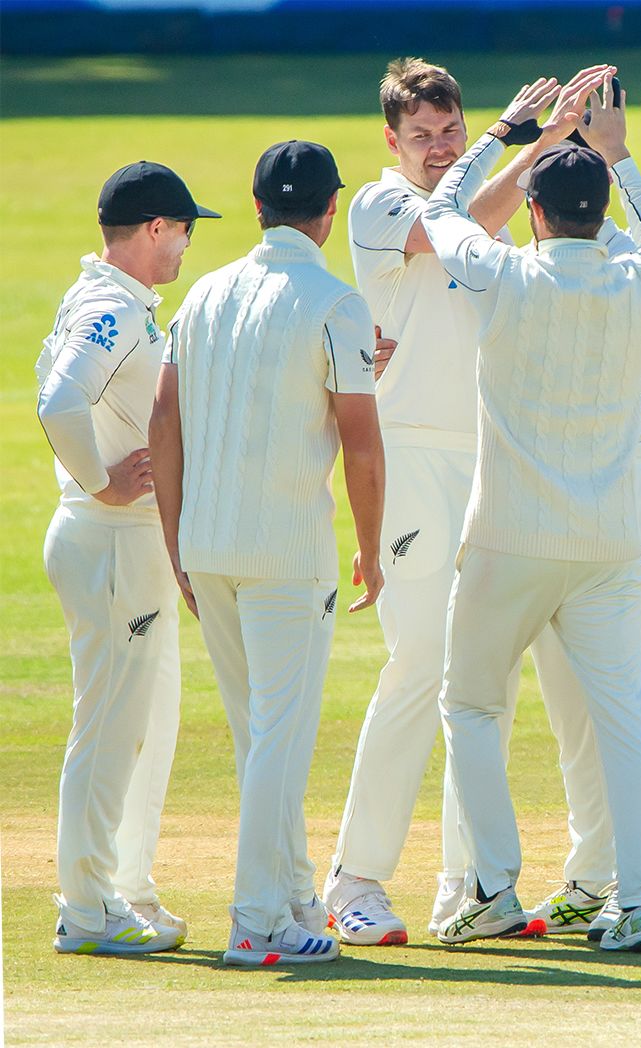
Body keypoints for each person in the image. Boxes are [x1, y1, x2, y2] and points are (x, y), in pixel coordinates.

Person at [324, 57, 581, 946]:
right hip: (407, 462)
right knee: (421, 664)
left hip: (488, 461)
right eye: (423, 137)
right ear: (393, 141)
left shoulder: (491, 221)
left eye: (451, 134)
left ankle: (468, 887)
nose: (439, 149)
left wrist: (543, 143)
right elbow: (456, 221)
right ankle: (354, 877)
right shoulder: (378, 204)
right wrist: (525, 140)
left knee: (485, 677)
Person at [423, 68, 641, 953]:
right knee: (628, 717)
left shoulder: (505, 276)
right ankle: (640, 902)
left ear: (533, 211)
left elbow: (439, 213)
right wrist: (619, 156)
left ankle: (492, 888)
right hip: (610, 541)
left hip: (510, 539)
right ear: (601, 212)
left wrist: (507, 133)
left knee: (472, 707)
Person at [150, 139, 386, 966]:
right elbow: (361, 442)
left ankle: (291, 897)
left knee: (263, 739)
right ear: (328, 214)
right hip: (286, 554)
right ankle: (256, 923)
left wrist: (177, 539)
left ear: (256, 206)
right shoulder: (336, 301)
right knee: (278, 739)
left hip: (209, 543)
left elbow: (163, 423)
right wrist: (372, 548)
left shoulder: (203, 295)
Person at [38, 161, 218, 955]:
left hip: (135, 546)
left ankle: (125, 888)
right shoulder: (110, 307)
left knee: (147, 722)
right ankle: (85, 909)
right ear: (154, 229)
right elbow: (58, 401)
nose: (185, 245)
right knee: (110, 728)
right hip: (108, 539)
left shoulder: (125, 304)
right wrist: (101, 482)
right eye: (182, 229)